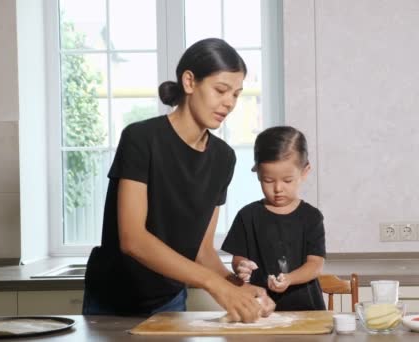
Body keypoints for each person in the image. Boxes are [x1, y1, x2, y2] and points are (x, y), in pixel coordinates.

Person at [83, 38, 275, 320]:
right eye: (221, 90)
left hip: (168, 302)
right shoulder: (141, 139)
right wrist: (214, 285)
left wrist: (238, 287)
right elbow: (132, 239)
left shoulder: (223, 158)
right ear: (189, 82)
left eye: (236, 94)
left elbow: (201, 251)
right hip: (112, 301)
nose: (229, 103)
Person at [221, 126, 327, 311]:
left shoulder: (311, 217)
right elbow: (239, 259)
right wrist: (242, 267)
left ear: (305, 171)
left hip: (307, 311)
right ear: (257, 173)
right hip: (260, 310)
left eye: (287, 181)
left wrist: (289, 279)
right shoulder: (248, 215)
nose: (278, 188)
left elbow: (315, 265)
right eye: (268, 181)